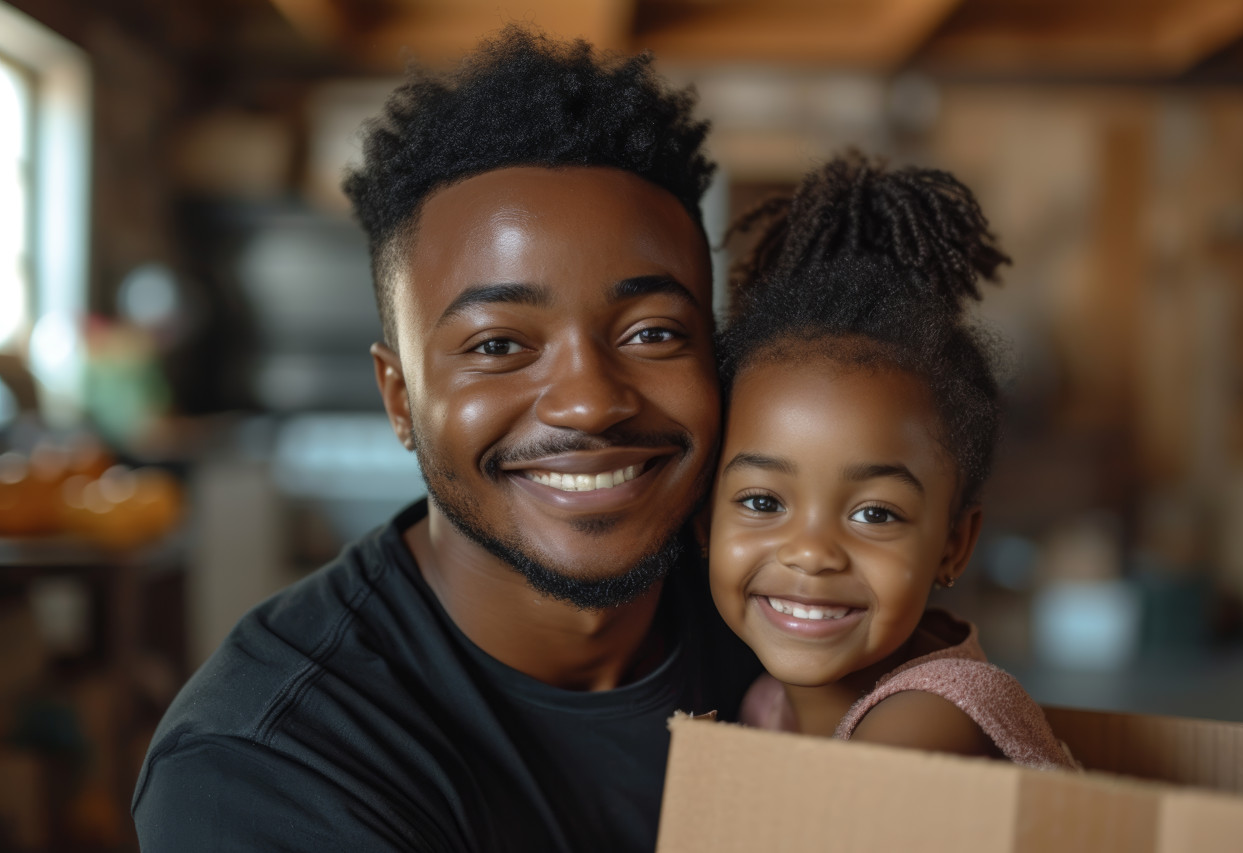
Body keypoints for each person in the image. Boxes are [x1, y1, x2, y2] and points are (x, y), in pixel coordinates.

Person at [132, 27, 758, 852]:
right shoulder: (267, 764)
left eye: (652, 333)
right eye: (499, 344)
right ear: (399, 397)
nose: (590, 403)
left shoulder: (796, 618)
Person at [706, 151, 1079, 770]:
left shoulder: (932, 721)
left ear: (954, 545)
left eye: (875, 514)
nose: (811, 552)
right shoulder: (766, 706)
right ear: (703, 522)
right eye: (763, 502)